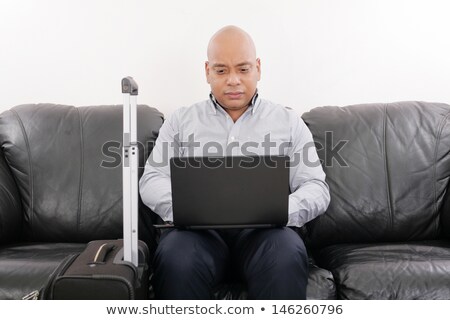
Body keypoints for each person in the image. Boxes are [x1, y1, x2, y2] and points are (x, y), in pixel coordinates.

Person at [139, 25, 330, 299]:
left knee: (285, 254)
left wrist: (279, 210)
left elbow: (316, 187)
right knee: (176, 257)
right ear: (207, 71)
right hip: (197, 234)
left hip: (265, 233)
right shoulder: (181, 121)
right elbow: (152, 179)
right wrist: (184, 209)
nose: (233, 80)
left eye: (243, 69)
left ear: (258, 68)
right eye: (221, 70)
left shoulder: (288, 122)